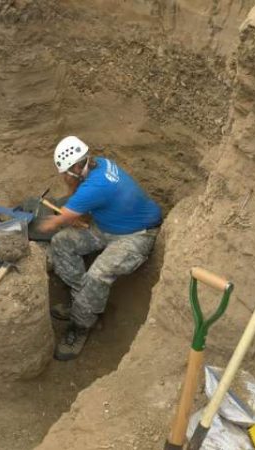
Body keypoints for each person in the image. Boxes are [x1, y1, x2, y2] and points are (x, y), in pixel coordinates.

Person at [39, 136, 162, 361]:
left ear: (77, 167)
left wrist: (47, 223)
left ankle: (81, 326)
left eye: (66, 173)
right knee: (62, 243)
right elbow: (79, 206)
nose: (64, 178)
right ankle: (82, 303)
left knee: (97, 275)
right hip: (109, 225)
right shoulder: (99, 164)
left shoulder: (95, 186)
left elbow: (59, 220)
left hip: (136, 235)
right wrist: (75, 215)